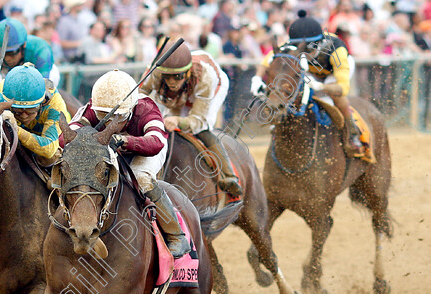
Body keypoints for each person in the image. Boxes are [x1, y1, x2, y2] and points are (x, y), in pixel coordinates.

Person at [71, 70, 189, 258]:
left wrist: (126, 141)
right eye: (103, 115)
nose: (109, 121)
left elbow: (156, 142)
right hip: (109, 149)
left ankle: (176, 235)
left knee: (142, 179)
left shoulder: (146, 109)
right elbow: (67, 137)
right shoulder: (93, 108)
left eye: (116, 117)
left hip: (145, 151)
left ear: (131, 109)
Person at [251, 10, 364, 156]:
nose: (301, 53)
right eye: (299, 49)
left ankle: (352, 131)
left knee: (335, 97)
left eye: (306, 49)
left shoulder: (337, 51)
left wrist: (320, 87)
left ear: (317, 45)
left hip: (332, 72)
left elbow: (342, 88)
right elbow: (268, 60)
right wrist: (257, 78)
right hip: (311, 70)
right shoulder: (294, 46)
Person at [140, 39, 242, 197]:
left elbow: (197, 120)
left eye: (178, 76)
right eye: (168, 77)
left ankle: (228, 176)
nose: (172, 82)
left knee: (200, 129)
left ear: (187, 72)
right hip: (182, 92)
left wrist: (179, 121)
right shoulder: (156, 71)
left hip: (213, 87)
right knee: (166, 122)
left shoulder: (206, 78)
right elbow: (139, 95)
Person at [0, 63, 70, 165]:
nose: (24, 116)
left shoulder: (55, 104)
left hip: (50, 140)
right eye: (17, 111)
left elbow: (48, 149)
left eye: (30, 110)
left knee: (50, 158)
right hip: (11, 139)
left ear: (42, 102)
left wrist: (16, 129)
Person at [0, 18, 55, 82]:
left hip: (44, 72)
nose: (7, 58)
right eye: (3, 53)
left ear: (24, 45)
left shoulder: (41, 51)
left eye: (12, 53)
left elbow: (43, 86)